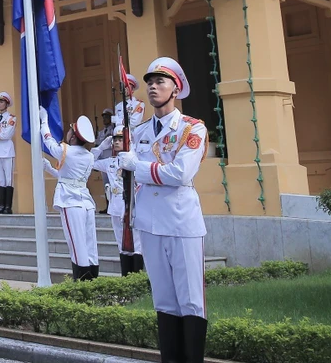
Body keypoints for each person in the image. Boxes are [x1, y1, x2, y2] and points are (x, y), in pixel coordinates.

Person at [117, 57, 208, 363]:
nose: (153, 87)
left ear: (176, 89)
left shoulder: (191, 129)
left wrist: (137, 166)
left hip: (181, 222)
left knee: (191, 300)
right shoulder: (140, 132)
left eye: (161, 82)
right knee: (164, 299)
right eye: (150, 82)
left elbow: (180, 174)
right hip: (149, 222)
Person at [39, 110, 99, 280]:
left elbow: (48, 141)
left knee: (76, 244)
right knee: (90, 245)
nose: (68, 132)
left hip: (70, 201)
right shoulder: (88, 156)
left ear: (73, 137)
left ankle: (81, 286)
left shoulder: (66, 151)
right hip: (86, 202)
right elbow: (67, 176)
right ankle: (93, 283)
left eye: (70, 130)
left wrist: (44, 121)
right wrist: (50, 168)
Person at [91, 125, 143, 276]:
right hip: (116, 206)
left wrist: (131, 149)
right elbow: (88, 163)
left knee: (137, 243)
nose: (117, 142)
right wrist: (100, 148)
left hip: (133, 205)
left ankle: (137, 278)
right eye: (115, 139)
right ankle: (125, 277)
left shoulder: (136, 159)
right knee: (122, 244)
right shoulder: (110, 162)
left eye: (121, 139)